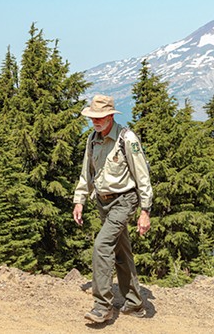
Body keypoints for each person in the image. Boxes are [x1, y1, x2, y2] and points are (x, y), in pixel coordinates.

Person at [72, 94, 153, 324]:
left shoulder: (127, 139)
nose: (95, 121)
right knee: (121, 250)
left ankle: (102, 306)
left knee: (102, 245)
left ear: (110, 116)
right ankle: (135, 303)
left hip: (124, 200)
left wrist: (145, 210)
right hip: (103, 202)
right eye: (93, 117)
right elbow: (86, 173)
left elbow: (142, 175)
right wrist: (80, 199)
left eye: (99, 117)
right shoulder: (92, 139)